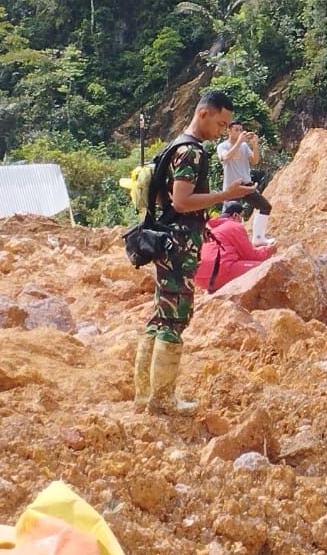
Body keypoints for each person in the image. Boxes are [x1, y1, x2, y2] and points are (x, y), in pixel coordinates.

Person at [133, 89, 256, 416]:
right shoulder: (192, 153)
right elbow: (182, 201)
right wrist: (226, 194)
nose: (222, 130)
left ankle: (144, 394)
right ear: (204, 113)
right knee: (175, 318)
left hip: (168, 241)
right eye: (221, 122)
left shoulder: (175, 145)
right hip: (180, 245)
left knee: (160, 315)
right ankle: (162, 400)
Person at [196, 201, 276, 292]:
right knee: (266, 269)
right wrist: (270, 250)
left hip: (201, 279)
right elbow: (251, 256)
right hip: (221, 272)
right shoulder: (233, 226)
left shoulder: (209, 228)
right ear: (235, 215)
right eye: (241, 216)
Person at [217, 121, 275, 245]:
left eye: (240, 130)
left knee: (265, 206)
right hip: (232, 188)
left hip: (247, 185)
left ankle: (258, 238)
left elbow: (254, 160)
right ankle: (226, 244)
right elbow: (226, 157)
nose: (239, 132)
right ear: (229, 131)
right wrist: (239, 142)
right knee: (229, 217)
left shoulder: (243, 146)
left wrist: (255, 145)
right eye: (236, 130)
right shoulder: (223, 146)